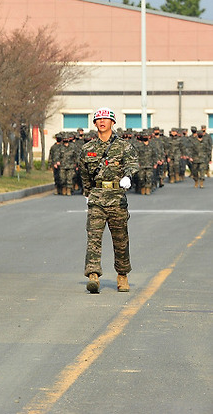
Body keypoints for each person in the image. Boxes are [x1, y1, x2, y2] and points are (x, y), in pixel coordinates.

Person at [79, 107, 139, 294]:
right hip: (97, 199)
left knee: (120, 239)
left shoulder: (124, 146)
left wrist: (128, 176)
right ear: (95, 123)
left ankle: (122, 275)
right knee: (93, 238)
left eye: (106, 119)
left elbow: (132, 163)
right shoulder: (87, 148)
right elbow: (84, 173)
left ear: (113, 123)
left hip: (117, 198)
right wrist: (88, 193)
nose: (102, 121)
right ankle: (93, 276)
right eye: (99, 119)